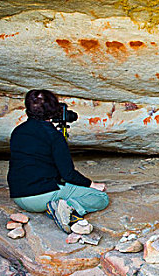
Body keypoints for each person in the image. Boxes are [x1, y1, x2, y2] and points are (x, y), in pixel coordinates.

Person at [7, 89, 109, 234]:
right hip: (40, 196)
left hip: (18, 195)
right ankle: (65, 208)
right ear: (53, 110)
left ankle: (58, 205)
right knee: (101, 198)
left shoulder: (17, 131)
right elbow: (68, 174)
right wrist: (91, 184)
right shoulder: (54, 136)